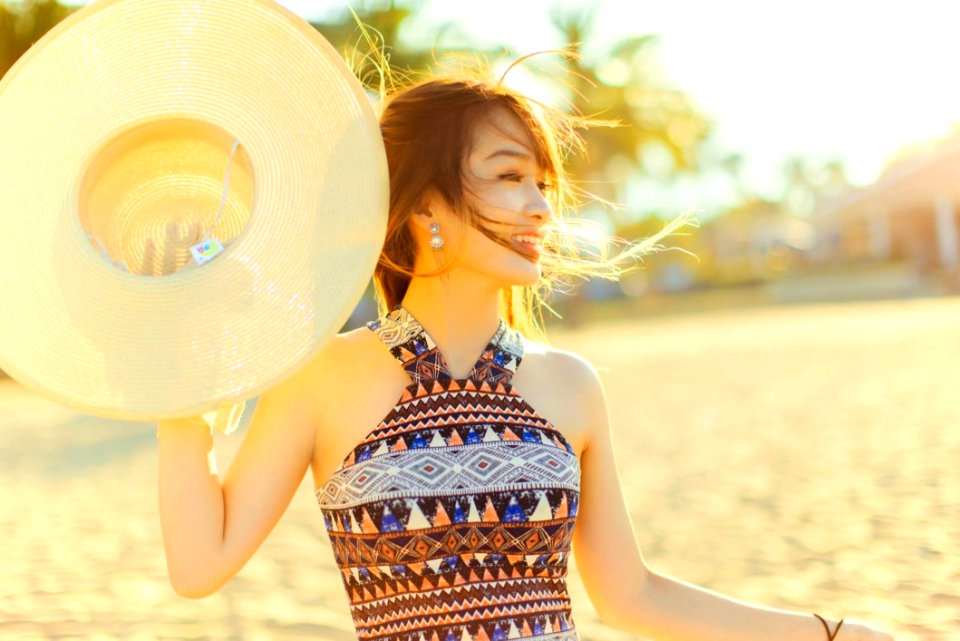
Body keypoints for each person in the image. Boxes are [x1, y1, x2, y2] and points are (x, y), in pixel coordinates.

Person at [156, 49, 895, 641]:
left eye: (544, 183)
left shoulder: (569, 384)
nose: (541, 205)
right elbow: (200, 564)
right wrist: (175, 392)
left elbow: (629, 594)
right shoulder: (323, 378)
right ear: (422, 205)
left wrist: (827, 634)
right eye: (510, 177)